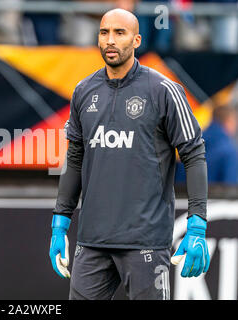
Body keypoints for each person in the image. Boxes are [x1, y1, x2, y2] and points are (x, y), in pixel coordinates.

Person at [49, 8, 210, 300]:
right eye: (104, 32)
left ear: (136, 40)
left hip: (145, 242)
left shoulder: (164, 90)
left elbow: (194, 154)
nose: (110, 40)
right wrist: (60, 222)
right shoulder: (83, 91)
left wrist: (197, 223)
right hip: (92, 242)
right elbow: (74, 159)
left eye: (119, 33)